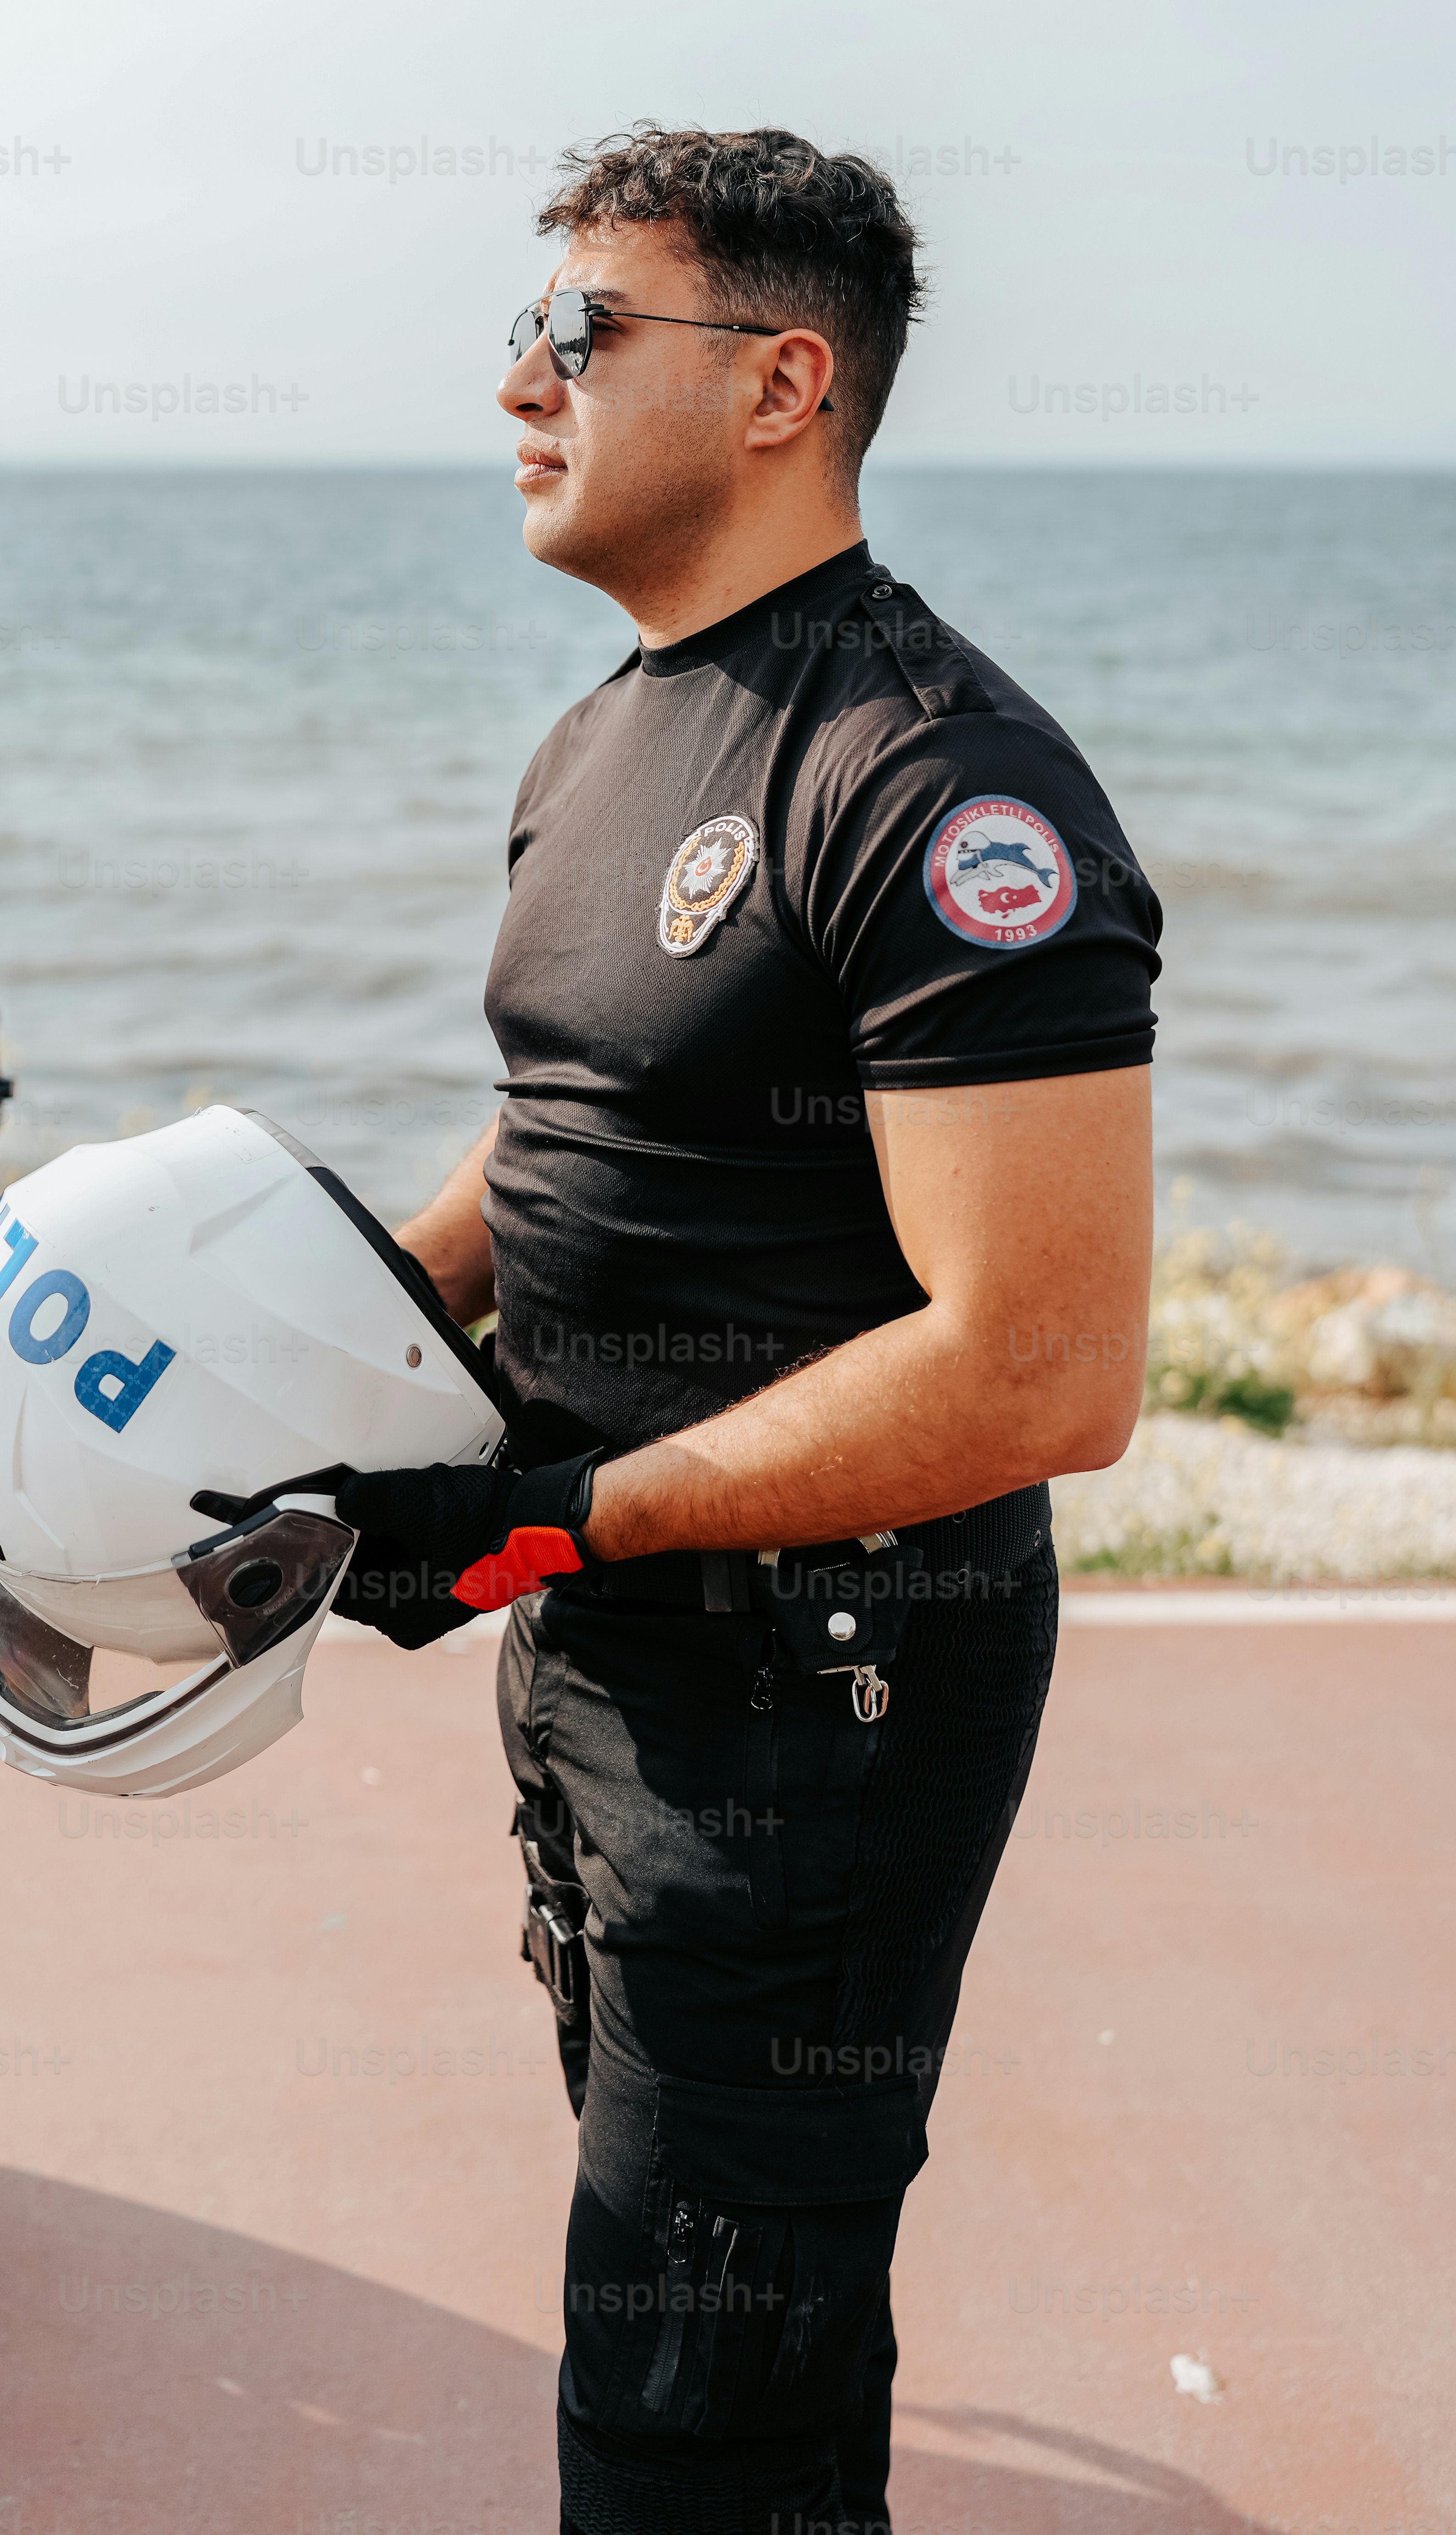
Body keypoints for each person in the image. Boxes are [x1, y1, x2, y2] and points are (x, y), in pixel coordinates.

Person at [331, 123, 1159, 2535]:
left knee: (704, 2417)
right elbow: (583, 1121)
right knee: (692, 2329)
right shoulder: (607, 740)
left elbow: (1042, 1367)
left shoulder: (932, 777)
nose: (518, 384)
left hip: (823, 1701)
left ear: (786, 379)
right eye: (522, 332)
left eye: (578, 331)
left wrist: (554, 1517)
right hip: (611, 1659)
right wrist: (352, 1313)